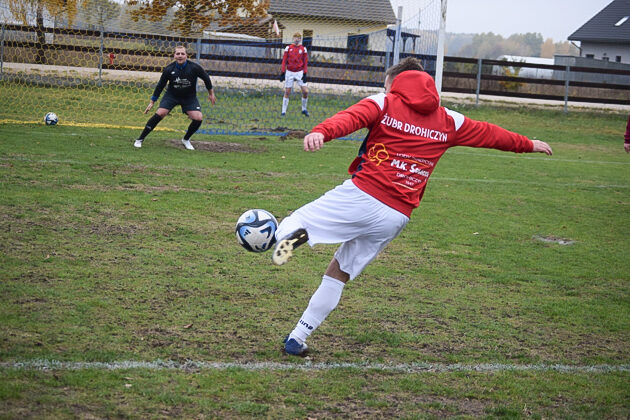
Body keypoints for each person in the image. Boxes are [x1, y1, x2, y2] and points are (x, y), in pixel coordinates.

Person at [271, 57, 553, 356]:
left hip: (364, 195)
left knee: (297, 219)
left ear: (395, 83)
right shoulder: (450, 121)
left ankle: (285, 238)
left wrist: (322, 131)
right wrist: (528, 143)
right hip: (395, 216)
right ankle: (298, 337)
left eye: (386, 86)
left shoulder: (385, 102)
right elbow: (490, 134)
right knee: (339, 272)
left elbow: (350, 117)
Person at [134, 45, 216, 150]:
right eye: (178, 53)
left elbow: (206, 78)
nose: (180, 56)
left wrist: (211, 93)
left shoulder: (194, 67)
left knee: (198, 118)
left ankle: (186, 139)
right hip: (172, 96)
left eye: (182, 53)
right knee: (160, 113)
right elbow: (160, 85)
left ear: (186, 55)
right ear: (174, 55)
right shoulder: (169, 69)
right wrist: (152, 101)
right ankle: (140, 139)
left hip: (189, 97)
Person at [279, 32, 309, 117]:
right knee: (287, 91)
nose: (297, 39)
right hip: (290, 72)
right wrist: (282, 72)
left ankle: (304, 109)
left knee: (305, 91)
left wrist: (305, 73)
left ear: (300, 39)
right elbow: (284, 61)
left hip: (299, 72)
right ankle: (283, 112)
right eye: (295, 37)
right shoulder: (288, 48)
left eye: (299, 38)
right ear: (293, 38)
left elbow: (305, 62)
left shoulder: (303, 49)